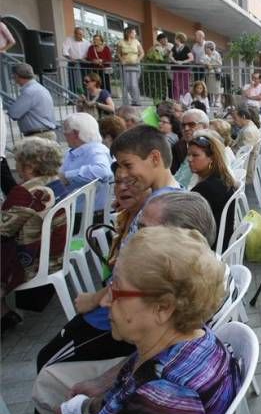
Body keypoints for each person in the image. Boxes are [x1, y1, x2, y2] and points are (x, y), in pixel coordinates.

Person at [1, 226, 240, 414]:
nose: (105, 301)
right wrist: (80, 409)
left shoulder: (166, 398)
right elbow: (115, 410)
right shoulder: (189, 340)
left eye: (116, 290)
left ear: (163, 307)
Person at [32, 127, 183, 395]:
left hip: (116, 317)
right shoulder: (158, 200)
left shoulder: (160, 210)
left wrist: (93, 299)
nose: (122, 174)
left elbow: (141, 276)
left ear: (155, 158)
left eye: (128, 165)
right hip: (114, 310)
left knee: (47, 363)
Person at [1, 138, 68, 332]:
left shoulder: (27, 191)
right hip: (55, 253)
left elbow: (3, 229)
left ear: (29, 166)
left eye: (18, 163)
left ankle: (4, 314)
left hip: (32, 261)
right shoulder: (56, 182)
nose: (17, 168)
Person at [187, 133, 237, 251]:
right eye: (188, 154)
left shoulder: (206, 189)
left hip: (210, 249)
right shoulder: (222, 178)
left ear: (211, 158)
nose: (189, 159)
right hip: (222, 242)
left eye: (195, 155)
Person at [60, 113, 113, 220]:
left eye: (65, 131)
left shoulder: (96, 149)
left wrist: (67, 176)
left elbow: (103, 171)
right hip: (73, 214)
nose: (63, 134)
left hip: (88, 218)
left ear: (75, 133)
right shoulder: (72, 152)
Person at [7, 63, 56, 139]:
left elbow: (14, 113)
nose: (13, 78)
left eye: (13, 76)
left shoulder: (29, 91)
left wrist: (11, 105)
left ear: (17, 75)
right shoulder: (38, 88)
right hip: (44, 133)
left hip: (38, 136)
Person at [174, 109, 211, 187]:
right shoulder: (182, 146)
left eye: (191, 124)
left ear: (205, 127)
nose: (186, 128)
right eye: (183, 125)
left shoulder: (210, 148)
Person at [230, 106, 260, 183]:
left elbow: (242, 155)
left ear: (243, 117)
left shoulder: (248, 131)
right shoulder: (249, 127)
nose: (234, 121)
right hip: (242, 165)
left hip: (243, 170)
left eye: (235, 118)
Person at [116, 27, 143, 106]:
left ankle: (136, 101)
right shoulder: (121, 42)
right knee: (125, 84)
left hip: (135, 65)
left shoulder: (136, 42)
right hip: (125, 66)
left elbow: (142, 53)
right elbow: (118, 53)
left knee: (134, 84)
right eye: (134, 32)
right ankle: (125, 102)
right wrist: (121, 60)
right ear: (128, 33)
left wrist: (138, 60)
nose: (135, 34)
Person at [63, 27, 90, 94]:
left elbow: (90, 53)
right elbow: (64, 51)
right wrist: (70, 58)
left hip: (84, 63)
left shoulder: (87, 43)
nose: (80, 36)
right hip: (73, 62)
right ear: (75, 34)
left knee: (86, 80)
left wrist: (86, 58)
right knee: (72, 80)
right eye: (78, 34)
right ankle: (72, 97)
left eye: (81, 34)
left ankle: (86, 96)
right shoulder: (69, 40)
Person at [169, 32, 194, 101]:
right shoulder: (174, 47)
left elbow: (191, 58)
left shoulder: (186, 47)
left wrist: (182, 62)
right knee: (176, 85)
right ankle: (176, 100)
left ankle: (185, 100)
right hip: (175, 69)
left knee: (185, 85)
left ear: (178, 39)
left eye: (175, 38)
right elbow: (170, 56)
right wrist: (174, 60)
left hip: (185, 69)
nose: (174, 40)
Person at [202, 41, 223, 108]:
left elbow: (219, 63)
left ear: (210, 48)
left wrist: (212, 65)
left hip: (216, 73)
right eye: (205, 48)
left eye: (206, 48)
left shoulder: (216, 54)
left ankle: (217, 101)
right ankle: (211, 101)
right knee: (209, 88)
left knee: (216, 88)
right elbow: (203, 61)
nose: (205, 49)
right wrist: (206, 64)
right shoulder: (205, 55)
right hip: (208, 73)